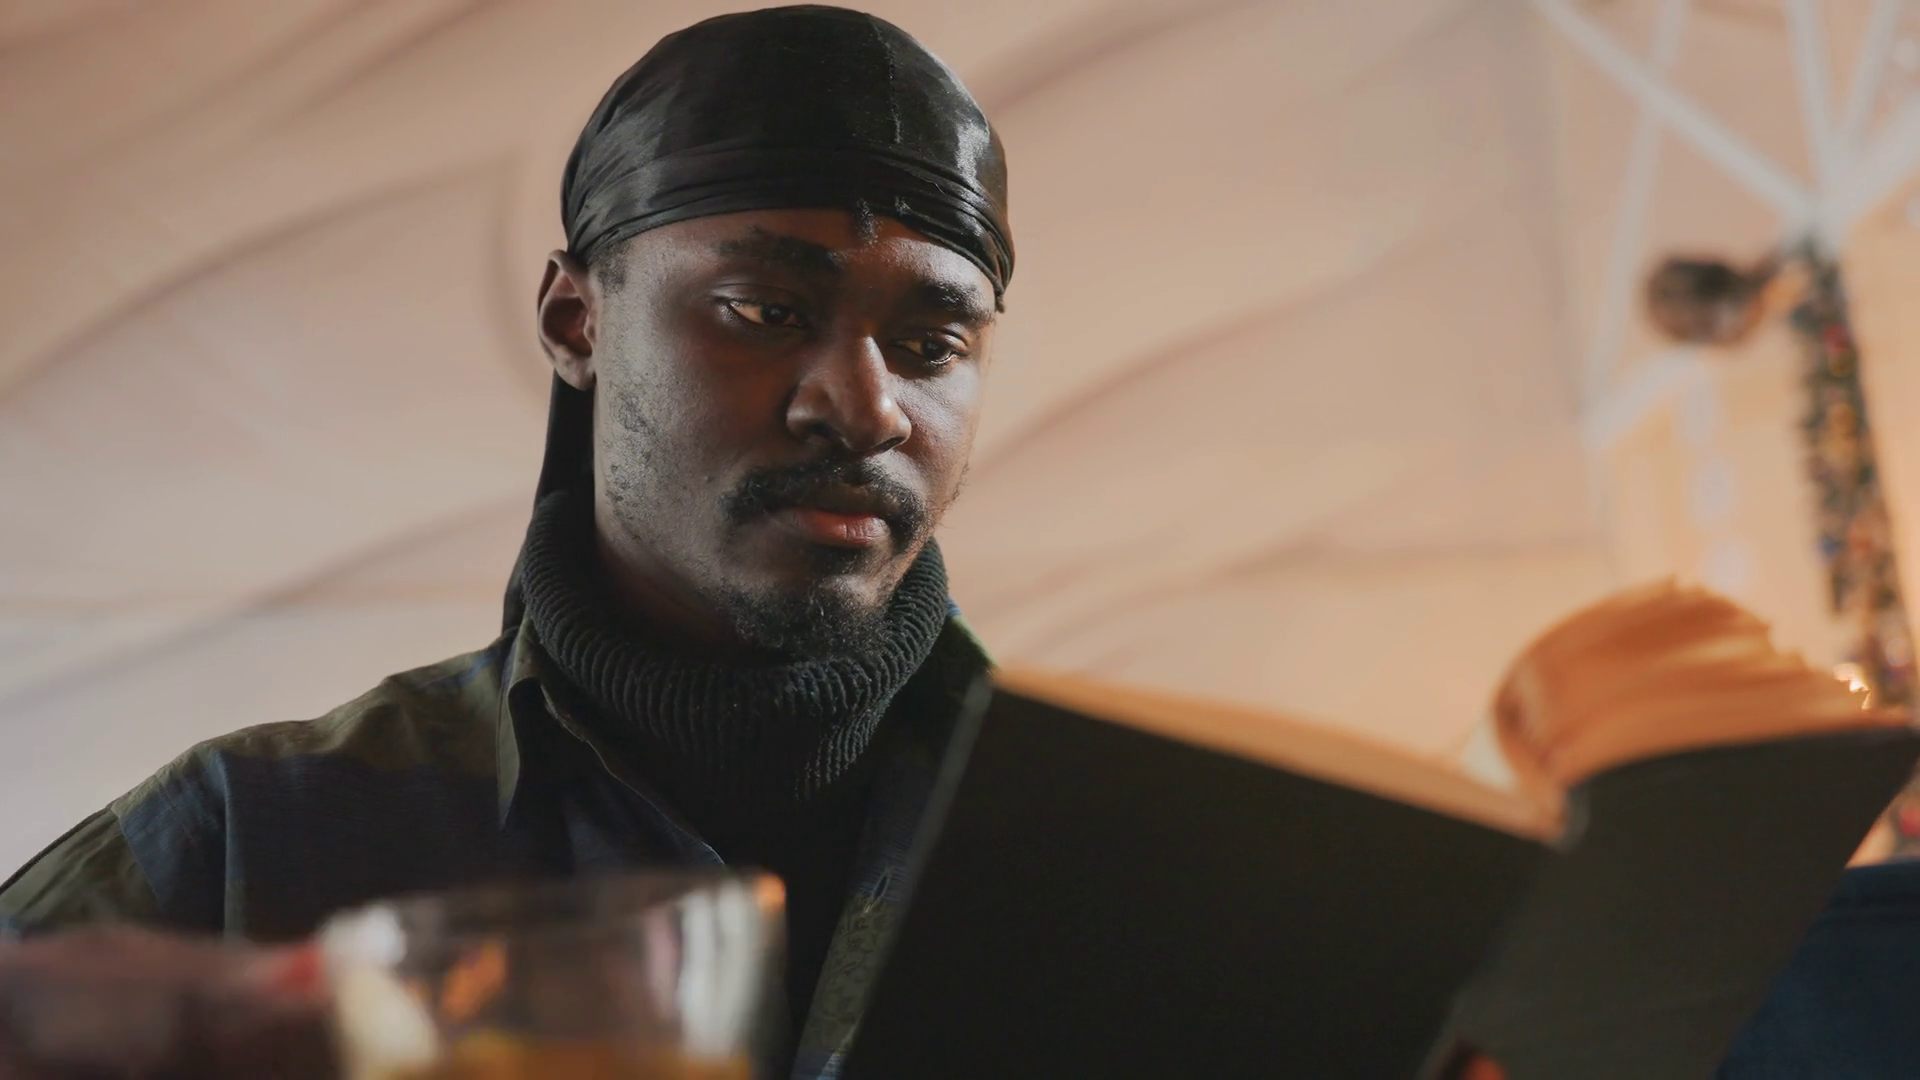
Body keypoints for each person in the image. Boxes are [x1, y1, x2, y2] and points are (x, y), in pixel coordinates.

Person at [0, 6, 1012, 1077]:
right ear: (576, 322)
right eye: (765, 311)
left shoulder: (1114, 845)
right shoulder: (249, 842)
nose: (865, 409)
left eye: (930, 344)